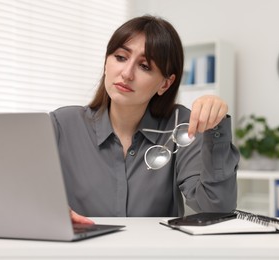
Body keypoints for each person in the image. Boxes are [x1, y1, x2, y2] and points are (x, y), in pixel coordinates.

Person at [50, 15, 239, 224]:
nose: (127, 73)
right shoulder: (62, 125)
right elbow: (18, 189)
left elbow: (216, 209)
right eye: (121, 57)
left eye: (145, 66)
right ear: (106, 63)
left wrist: (215, 129)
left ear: (165, 84)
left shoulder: (183, 127)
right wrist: (49, 210)